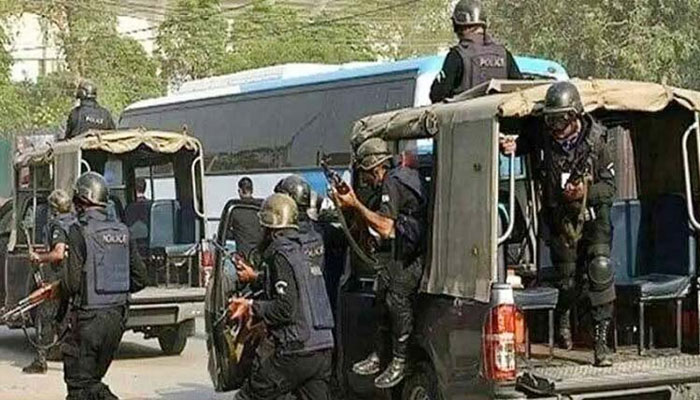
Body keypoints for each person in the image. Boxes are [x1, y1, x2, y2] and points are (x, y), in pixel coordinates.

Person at [499, 81, 616, 367]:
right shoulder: (544, 136)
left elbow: (610, 188)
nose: (556, 126)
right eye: (551, 120)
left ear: (575, 116)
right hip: (560, 220)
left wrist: (585, 192)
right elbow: (521, 144)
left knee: (600, 269)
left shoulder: (597, 141)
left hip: (593, 219)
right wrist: (511, 145)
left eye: (562, 119)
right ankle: (564, 316)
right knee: (567, 281)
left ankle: (600, 341)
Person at [332, 138, 427, 388]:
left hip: (415, 253)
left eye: (365, 174)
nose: (365, 181)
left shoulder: (392, 181)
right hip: (407, 249)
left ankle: (400, 360)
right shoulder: (400, 176)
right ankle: (381, 354)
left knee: (396, 296)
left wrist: (355, 203)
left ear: (375, 168)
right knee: (382, 290)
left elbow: (386, 227)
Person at [231, 193, 335, 400]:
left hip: (297, 349)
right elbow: (296, 287)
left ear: (269, 228)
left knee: (250, 395)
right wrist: (256, 277)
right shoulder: (305, 249)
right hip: (322, 348)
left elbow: (285, 308)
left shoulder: (279, 253)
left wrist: (251, 305)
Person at [60, 172, 148, 399]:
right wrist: (114, 289)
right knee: (90, 383)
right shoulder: (123, 231)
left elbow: (71, 284)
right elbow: (141, 278)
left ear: (82, 200)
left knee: (79, 385)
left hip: (89, 321)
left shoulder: (78, 231)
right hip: (117, 319)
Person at [24, 189, 77, 374]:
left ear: (54, 208)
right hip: (73, 276)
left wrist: (39, 257)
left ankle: (40, 361)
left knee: (44, 317)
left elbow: (59, 253)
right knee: (65, 318)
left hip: (58, 277)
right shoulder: (76, 222)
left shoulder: (58, 225)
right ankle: (70, 360)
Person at [429, 0, 522, 103]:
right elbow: (521, 88)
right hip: (498, 112)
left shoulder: (458, 55)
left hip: (465, 113)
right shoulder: (504, 54)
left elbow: (437, 94)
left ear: (458, 25)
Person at [227, 177, 264, 257]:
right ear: (252, 190)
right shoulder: (262, 206)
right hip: (261, 254)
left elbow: (226, 233)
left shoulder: (235, 209)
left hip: (243, 256)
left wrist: (237, 234)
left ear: (240, 191)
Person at [124, 177, 152, 254]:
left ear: (133, 189)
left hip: (134, 245)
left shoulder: (129, 207)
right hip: (150, 243)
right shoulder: (152, 206)